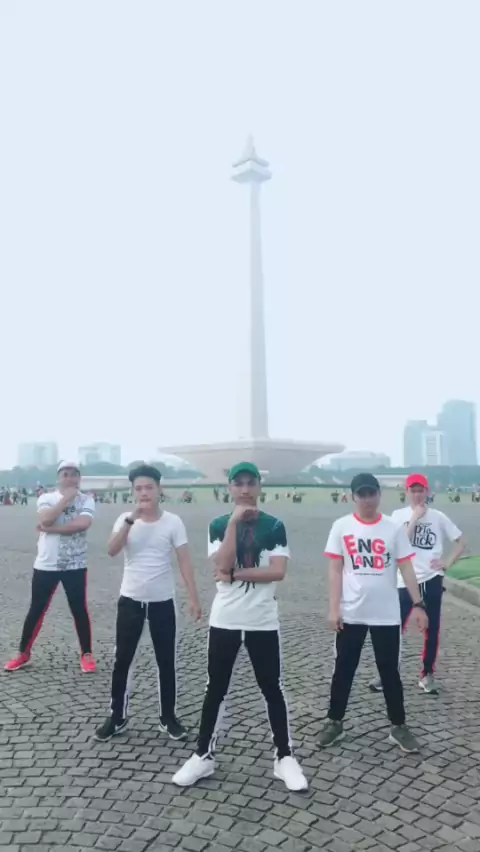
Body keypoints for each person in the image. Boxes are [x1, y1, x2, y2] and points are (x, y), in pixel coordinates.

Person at [172, 461, 308, 792]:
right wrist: (234, 523)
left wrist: (235, 575)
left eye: (250, 483)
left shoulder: (274, 525)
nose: (245, 489)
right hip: (226, 619)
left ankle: (284, 757)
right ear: (230, 488)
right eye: (239, 483)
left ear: (259, 486)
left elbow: (277, 571)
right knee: (215, 688)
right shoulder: (219, 524)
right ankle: (203, 755)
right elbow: (220, 561)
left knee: (272, 688)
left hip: (262, 619)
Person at [318, 473, 428, 754]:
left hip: (386, 614)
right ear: (353, 497)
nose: (367, 499)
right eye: (362, 494)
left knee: (389, 671)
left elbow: (406, 567)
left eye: (371, 493)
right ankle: (334, 721)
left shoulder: (393, 528)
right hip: (351, 612)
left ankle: (398, 726)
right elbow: (335, 570)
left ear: (379, 495)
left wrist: (418, 604)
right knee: (343, 669)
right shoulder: (341, 526)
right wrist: (334, 608)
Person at [94, 464, 202, 742]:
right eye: (139, 488)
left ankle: (168, 717)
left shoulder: (173, 522)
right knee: (123, 660)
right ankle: (117, 716)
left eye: (149, 487)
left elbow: (184, 560)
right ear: (133, 491)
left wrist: (193, 597)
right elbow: (111, 550)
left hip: (162, 601)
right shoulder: (125, 520)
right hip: (130, 600)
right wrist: (131, 520)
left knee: (166, 661)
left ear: (159, 489)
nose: (144, 493)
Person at [370, 473, 465, 696]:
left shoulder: (438, 517)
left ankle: (427, 674)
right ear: (407, 492)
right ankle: (388, 673)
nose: (417, 494)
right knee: (394, 627)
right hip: (404, 580)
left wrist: (447, 563)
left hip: (431, 578)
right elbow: (396, 544)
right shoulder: (397, 516)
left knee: (432, 629)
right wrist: (414, 518)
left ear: (427, 492)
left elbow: (461, 542)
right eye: (413, 490)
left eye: (421, 490)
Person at [4, 461, 96, 673]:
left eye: (74, 474)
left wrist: (51, 529)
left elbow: (83, 524)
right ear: (58, 478)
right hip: (47, 563)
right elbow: (45, 518)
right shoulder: (46, 498)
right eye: (65, 474)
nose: (69, 478)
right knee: (37, 609)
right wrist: (66, 500)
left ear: (79, 478)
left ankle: (87, 654)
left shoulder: (87, 500)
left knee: (79, 609)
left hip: (75, 563)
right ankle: (23, 653)